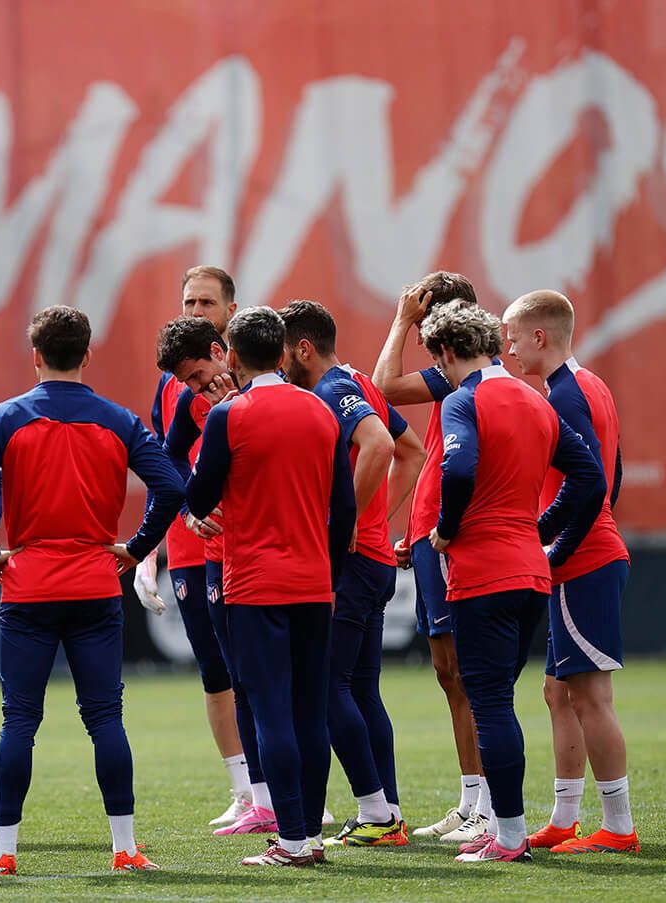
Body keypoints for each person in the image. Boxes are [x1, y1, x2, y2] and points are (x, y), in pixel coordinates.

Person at [0, 305, 183, 875]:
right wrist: (136, 547)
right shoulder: (118, 420)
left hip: (27, 585)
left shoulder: (4, 419)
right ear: (87, 355)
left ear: (35, 356)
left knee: (19, 721)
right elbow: (172, 486)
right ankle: (125, 848)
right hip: (95, 585)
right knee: (105, 719)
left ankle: (3, 852)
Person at [416, 300, 604, 863]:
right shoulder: (535, 398)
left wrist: (448, 528)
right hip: (531, 573)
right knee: (502, 701)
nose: (442, 372)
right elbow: (590, 477)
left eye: (439, 360)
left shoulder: (464, 399)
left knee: (492, 704)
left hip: (483, 574)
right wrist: (538, 530)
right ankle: (506, 829)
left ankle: (509, 837)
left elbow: (459, 467)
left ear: (449, 350)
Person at [185, 307, 357, 867]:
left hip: (255, 585)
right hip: (314, 583)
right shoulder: (321, 410)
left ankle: (293, 840)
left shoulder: (228, 416)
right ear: (283, 352)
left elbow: (200, 496)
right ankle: (310, 837)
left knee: (270, 713)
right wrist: (329, 572)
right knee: (309, 712)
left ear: (232, 356)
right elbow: (344, 508)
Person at [279, 300, 426, 848]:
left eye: (282, 354)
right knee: (361, 689)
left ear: (303, 349)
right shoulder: (360, 381)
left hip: (353, 564)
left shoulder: (332, 389)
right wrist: (374, 520)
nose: (279, 366)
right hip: (375, 559)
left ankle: (375, 812)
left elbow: (383, 446)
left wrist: (350, 524)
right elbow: (412, 451)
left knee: (327, 689)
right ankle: (387, 812)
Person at [502, 290, 638, 854]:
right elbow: (613, 473)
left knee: (589, 697)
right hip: (586, 554)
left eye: (513, 337)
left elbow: (591, 483)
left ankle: (619, 828)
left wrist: (549, 546)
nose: (509, 348)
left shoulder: (563, 395)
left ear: (540, 336)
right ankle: (564, 818)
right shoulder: (590, 385)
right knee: (558, 692)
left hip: (583, 561)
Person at [372, 272, 491, 843]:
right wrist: (416, 529)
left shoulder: (459, 374)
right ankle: (471, 800)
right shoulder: (452, 379)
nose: (418, 337)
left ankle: (489, 805)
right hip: (426, 535)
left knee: (466, 673)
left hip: (448, 537)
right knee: (449, 674)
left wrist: (399, 321)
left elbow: (382, 388)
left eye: (423, 325)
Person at [155, 315, 276, 836]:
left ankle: (304, 799)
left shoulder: (272, 389)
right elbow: (168, 456)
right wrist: (188, 509)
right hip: (220, 554)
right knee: (239, 678)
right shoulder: (195, 402)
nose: (193, 386)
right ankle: (261, 799)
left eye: (197, 374)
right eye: (185, 381)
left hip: (276, 551)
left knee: (284, 680)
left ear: (220, 349)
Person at [143, 265, 251, 828]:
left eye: (205, 302)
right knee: (215, 667)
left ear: (230, 311)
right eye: (188, 302)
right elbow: (163, 460)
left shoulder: (257, 365)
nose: (194, 311)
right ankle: (245, 788)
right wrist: (154, 543)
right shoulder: (174, 382)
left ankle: (281, 785)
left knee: (262, 665)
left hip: (255, 536)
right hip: (196, 539)